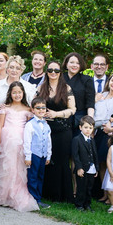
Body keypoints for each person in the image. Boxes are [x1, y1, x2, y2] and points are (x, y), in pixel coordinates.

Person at [0, 81, 38, 211]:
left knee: (19, 167)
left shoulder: (27, 110)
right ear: (10, 94)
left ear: (23, 93)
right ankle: (5, 195)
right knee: (7, 166)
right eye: (14, 92)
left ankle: (16, 193)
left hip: (21, 140)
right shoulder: (5, 109)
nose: (17, 95)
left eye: (19, 92)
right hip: (7, 141)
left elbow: (29, 127)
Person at [35, 60, 76, 203]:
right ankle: (47, 193)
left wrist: (56, 114)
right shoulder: (41, 88)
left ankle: (62, 195)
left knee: (61, 161)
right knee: (47, 160)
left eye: (56, 71)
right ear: (46, 72)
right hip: (45, 129)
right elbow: (34, 106)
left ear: (60, 73)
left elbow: (72, 109)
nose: (53, 73)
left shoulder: (66, 88)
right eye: (50, 70)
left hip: (63, 129)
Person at [92, 72, 113, 202]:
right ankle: (105, 193)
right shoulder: (101, 95)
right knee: (101, 164)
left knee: (110, 164)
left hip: (112, 134)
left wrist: (112, 129)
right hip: (99, 133)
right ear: (108, 81)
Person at [23, 98, 52, 208]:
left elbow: (49, 141)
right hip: (34, 155)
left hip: (43, 155)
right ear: (33, 110)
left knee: (40, 176)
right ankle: (33, 199)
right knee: (33, 177)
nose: (41, 110)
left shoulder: (46, 124)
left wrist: (48, 155)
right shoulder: (30, 124)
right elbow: (27, 141)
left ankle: (38, 198)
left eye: (43, 108)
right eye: (38, 108)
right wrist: (28, 156)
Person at [71, 116, 98, 211]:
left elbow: (95, 154)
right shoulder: (77, 139)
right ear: (80, 127)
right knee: (81, 187)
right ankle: (79, 204)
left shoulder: (92, 140)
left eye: (90, 128)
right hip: (82, 168)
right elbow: (75, 155)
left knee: (89, 188)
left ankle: (87, 204)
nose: (88, 130)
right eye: (85, 127)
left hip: (91, 168)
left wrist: (96, 168)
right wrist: (79, 168)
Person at [63, 52, 90, 127]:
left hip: (80, 119)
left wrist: (89, 121)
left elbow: (90, 103)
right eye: (72, 62)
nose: (74, 65)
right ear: (66, 64)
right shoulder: (60, 78)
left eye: (78, 63)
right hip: (61, 117)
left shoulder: (87, 80)